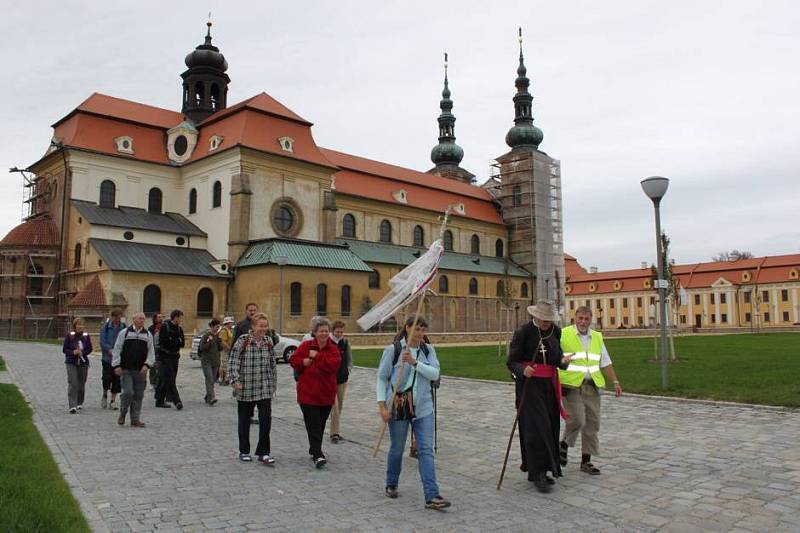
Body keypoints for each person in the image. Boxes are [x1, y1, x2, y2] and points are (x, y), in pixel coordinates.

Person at [376, 315, 450, 511]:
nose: (419, 333)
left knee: (425, 450)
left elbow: (435, 373)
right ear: (407, 328)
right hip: (399, 405)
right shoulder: (394, 350)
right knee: (397, 448)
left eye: (423, 329)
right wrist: (382, 406)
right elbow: (382, 378)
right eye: (416, 328)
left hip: (423, 408)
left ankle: (432, 495)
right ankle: (391, 482)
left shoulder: (428, 350)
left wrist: (415, 362)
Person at [506, 299, 571, 492]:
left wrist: (563, 361)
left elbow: (556, 358)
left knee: (550, 426)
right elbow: (511, 362)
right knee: (537, 427)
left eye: (549, 320)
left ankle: (547, 468)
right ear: (535, 316)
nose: (546, 324)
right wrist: (522, 369)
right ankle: (537, 473)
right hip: (529, 386)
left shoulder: (555, 332)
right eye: (543, 320)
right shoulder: (523, 333)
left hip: (549, 386)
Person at [558, 306, 623, 475]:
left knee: (592, 424)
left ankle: (586, 462)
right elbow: (554, 356)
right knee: (578, 419)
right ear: (575, 318)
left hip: (592, 385)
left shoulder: (597, 337)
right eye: (580, 318)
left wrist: (615, 381)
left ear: (590, 320)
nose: (583, 322)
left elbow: (605, 362)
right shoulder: (564, 334)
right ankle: (563, 444)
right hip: (571, 386)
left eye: (586, 319)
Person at [289, 316, 340, 468]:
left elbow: (333, 366)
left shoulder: (333, 349)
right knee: (313, 425)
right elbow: (293, 360)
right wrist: (302, 362)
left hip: (326, 394)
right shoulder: (306, 345)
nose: (324, 334)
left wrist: (317, 356)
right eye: (321, 331)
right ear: (315, 332)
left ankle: (313, 448)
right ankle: (318, 455)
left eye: (326, 331)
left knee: (321, 423)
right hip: (308, 394)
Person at [228, 313, 278, 464]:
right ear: (253, 327)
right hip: (246, 387)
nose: (263, 329)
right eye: (260, 326)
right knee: (244, 420)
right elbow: (233, 361)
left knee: (265, 419)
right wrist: (235, 379)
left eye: (265, 326)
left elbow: (272, 364)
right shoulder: (243, 341)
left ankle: (264, 452)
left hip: (264, 388)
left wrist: (273, 383)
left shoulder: (268, 341)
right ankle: (244, 450)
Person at [112, 312, 155, 427]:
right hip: (126, 369)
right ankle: (123, 412)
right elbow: (117, 349)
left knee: (138, 394)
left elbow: (151, 352)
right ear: (134, 319)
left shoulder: (148, 335)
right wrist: (116, 365)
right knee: (128, 392)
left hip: (140, 370)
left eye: (143, 319)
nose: (142, 320)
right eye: (140, 318)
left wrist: (147, 365)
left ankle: (135, 418)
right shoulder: (124, 333)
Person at [155, 309, 185, 410]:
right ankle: (177, 401)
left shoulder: (179, 329)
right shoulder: (165, 327)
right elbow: (164, 342)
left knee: (167, 379)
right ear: (175, 317)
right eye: (180, 317)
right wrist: (175, 341)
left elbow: (182, 343)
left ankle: (159, 400)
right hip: (165, 357)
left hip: (175, 357)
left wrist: (174, 340)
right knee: (171, 379)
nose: (181, 320)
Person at [62, 318, 93, 414]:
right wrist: (73, 352)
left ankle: (79, 401)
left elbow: (90, 348)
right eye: (78, 325)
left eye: (81, 325)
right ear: (74, 326)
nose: (80, 327)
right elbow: (65, 349)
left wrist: (82, 353)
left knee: (81, 383)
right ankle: (72, 405)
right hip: (71, 362)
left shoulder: (86, 336)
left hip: (83, 362)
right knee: (73, 382)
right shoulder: (69, 336)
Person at [329, 320, 353, 443]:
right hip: (330, 380)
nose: (339, 334)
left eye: (341, 332)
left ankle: (334, 430)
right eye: (337, 331)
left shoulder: (345, 342)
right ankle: (335, 434)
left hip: (342, 379)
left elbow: (349, 360)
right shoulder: (328, 342)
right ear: (333, 331)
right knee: (335, 407)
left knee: (340, 406)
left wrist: (347, 371)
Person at [99, 309, 126, 410]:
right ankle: (105, 393)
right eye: (117, 317)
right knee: (106, 377)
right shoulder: (106, 327)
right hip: (107, 358)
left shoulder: (123, 327)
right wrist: (109, 349)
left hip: (119, 358)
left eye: (120, 317)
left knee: (116, 379)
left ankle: (113, 400)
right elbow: (102, 341)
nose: (118, 320)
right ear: (113, 317)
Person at [199, 318, 223, 406]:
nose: (217, 329)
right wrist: (209, 341)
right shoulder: (206, 336)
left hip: (215, 362)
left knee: (212, 380)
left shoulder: (217, 336)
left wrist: (219, 341)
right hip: (206, 361)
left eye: (218, 327)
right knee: (209, 379)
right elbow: (202, 348)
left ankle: (207, 396)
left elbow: (220, 349)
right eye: (216, 327)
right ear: (212, 326)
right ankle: (212, 397)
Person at [147, 312, 163, 389]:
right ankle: (153, 382)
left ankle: (158, 382)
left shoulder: (164, 327)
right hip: (153, 350)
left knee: (160, 367)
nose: (161, 318)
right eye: (159, 317)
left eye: (161, 317)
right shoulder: (151, 328)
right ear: (155, 319)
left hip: (161, 350)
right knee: (153, 367)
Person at [218, 316, 235, 385]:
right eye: (230, 323)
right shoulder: (224, 331)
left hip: (227, 350)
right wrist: (229, 348)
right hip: (225, 350)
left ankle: (223, 378)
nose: (231, 324)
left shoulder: (228, 330)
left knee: (224, 365)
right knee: (224, 365)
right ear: (227, 323)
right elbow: (223, 341)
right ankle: (224, 379)